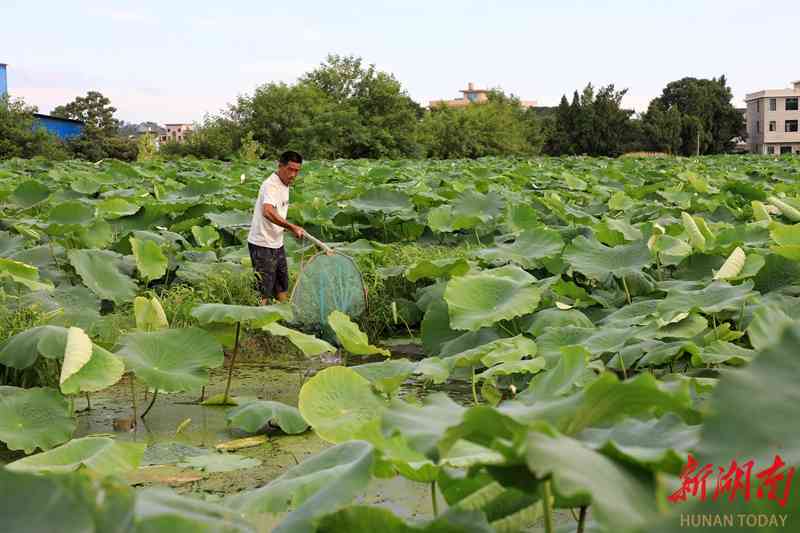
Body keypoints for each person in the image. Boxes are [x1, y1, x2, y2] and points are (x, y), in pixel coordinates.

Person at [247, 150, 305, 305]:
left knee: (281, 285)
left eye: (296, 171)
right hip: (262, 243)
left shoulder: (285, 184)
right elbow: (268, 211)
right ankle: (257, 323)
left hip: (276, 242)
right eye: (290, 169)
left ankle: (285, 319)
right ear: (280, 166)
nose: (293, 175)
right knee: (263, 290)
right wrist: (291, 227)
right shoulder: (271, 185)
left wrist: (289, 227)